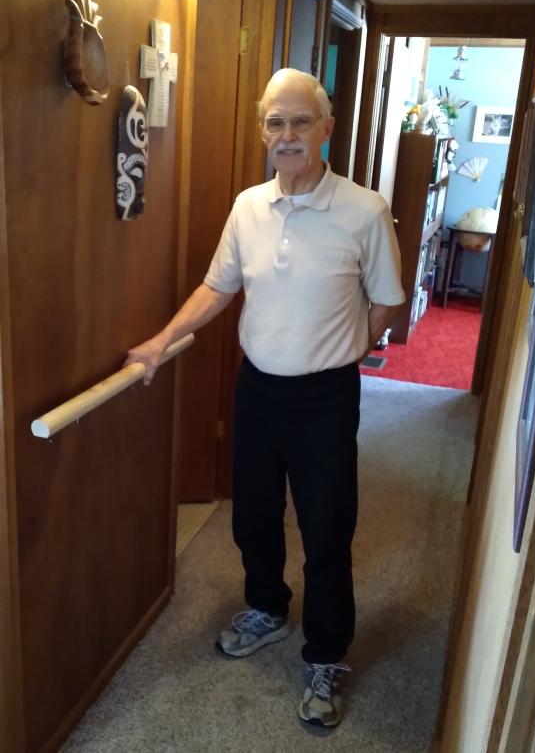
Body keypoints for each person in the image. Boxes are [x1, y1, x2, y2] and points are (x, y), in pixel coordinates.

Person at [126, 68, 405, 728]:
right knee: (251, 516)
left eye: (300, 122)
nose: (287, 135)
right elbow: (217, 288)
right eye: (275, 123)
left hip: (325, 398)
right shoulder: (248, 207)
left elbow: (389, 300)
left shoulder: (363, 210)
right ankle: (268, 608)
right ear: (262, 133)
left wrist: (344, 350)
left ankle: (328, 651)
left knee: (326, 527)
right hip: (257, 389)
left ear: (325, 130)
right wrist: (161, 340)